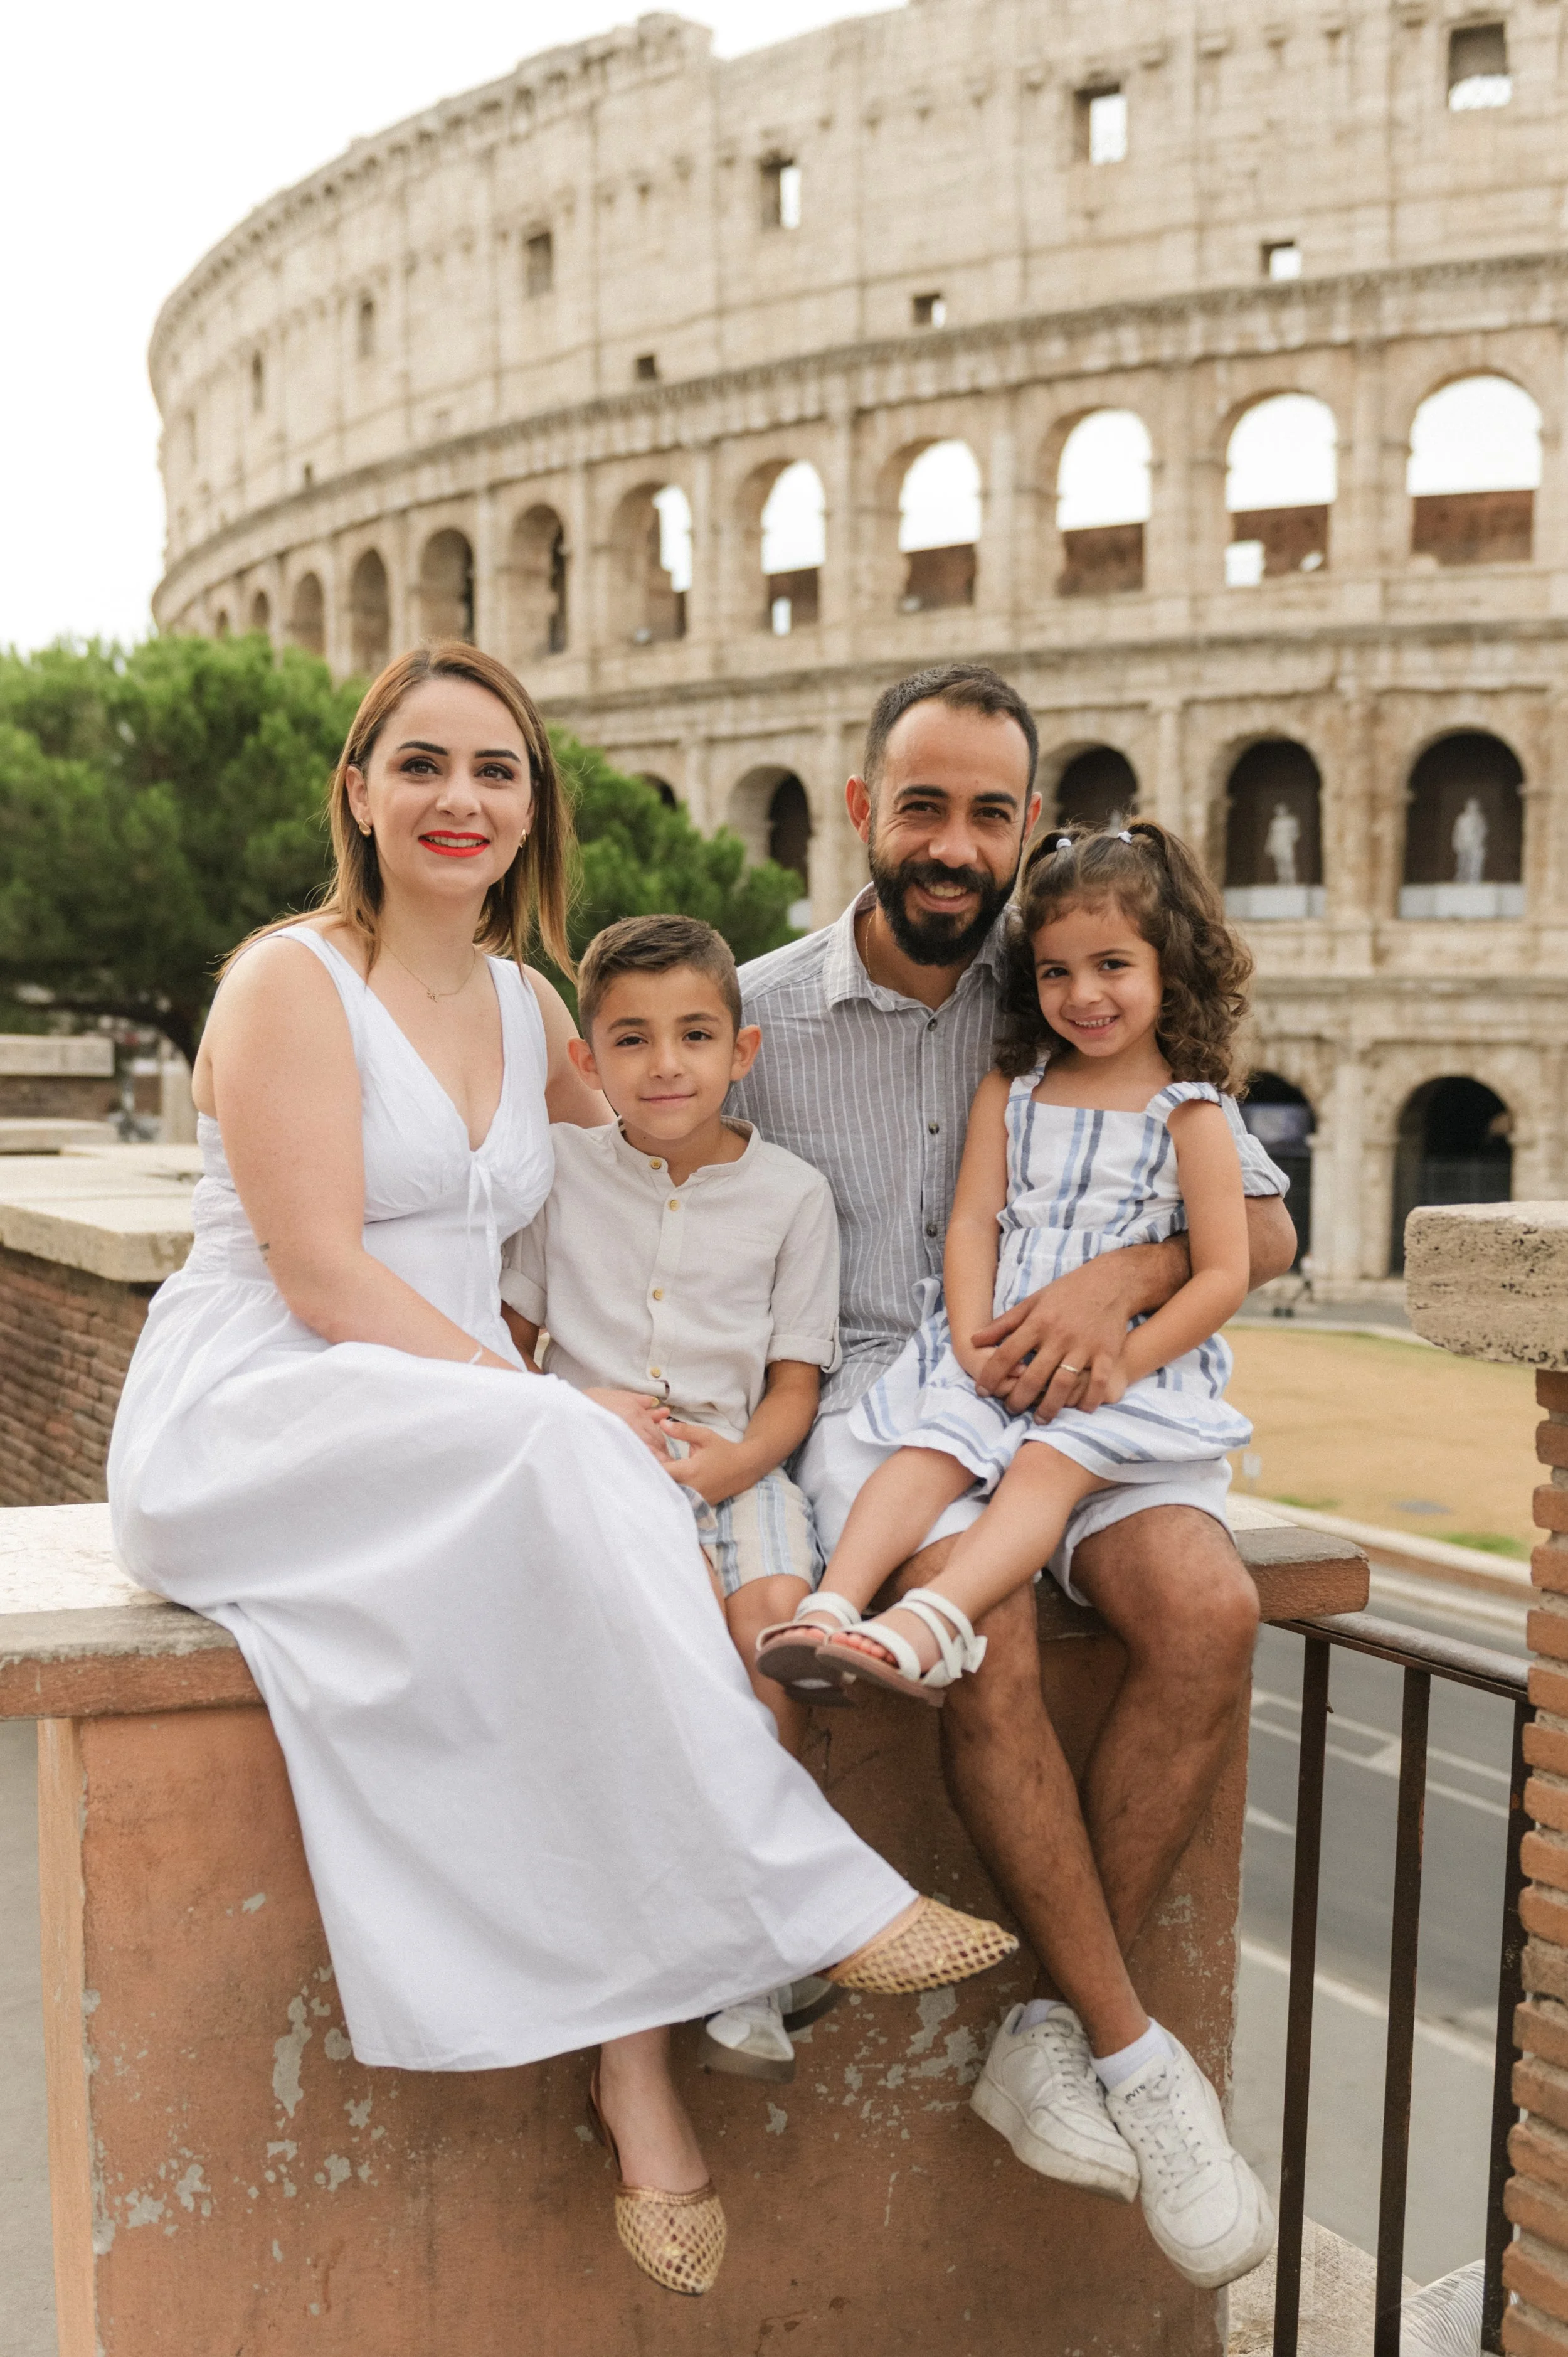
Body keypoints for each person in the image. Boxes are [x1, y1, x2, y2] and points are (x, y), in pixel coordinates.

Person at [105, 644, 1015, 2301]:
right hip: (263, 1410)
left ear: (535, 809)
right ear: (361, 790)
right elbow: (319, 1279)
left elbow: (689, 1133)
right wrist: (553, 1401)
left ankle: (634, 2071)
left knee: (585, 1543)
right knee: (570, 1447)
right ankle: (809, 1896)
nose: (461, 801)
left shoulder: (533, 1008)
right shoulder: (285, 982)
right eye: (425, 766)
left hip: (453, 1428)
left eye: (497, 771)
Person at [731, 663, 1296, 2291]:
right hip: (901, 1415)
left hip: (1096, 1400)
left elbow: (1260, 1227)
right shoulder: (760, 1018)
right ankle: (1132, 2053)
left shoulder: (1065, 980)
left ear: (1026, 824)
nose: (954, 842)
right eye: (923, 803)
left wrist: (1117, 1279)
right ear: (860, 809)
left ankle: (1045, 2035)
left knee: (1208, 1602)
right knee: (987, 1640)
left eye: (990, 810)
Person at [766, 820, 1256, 1714]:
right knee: (927, 1450)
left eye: (1113, 965)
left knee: (1041, 1471)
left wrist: (1122, 1365)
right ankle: (831, 1607)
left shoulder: (1192, 1112)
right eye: (1056, 971)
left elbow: (1225, 1272)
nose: (1084, 994)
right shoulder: (1017, 1084)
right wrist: (966, 1342)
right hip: (993, 1344)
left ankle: (933, 1622)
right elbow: (971, 1225)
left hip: (1120, 1374)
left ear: (1168, 967)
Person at [499, 911, 845, 2080]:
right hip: (602, 1478)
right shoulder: (561, 1177)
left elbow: (796, 1385)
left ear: (741, 1052)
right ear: (586, 1063)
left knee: (775, 1651)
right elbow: (510, 1339)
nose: (666, 1065)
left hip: (741, 1469)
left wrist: (737, 1467)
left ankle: (757, 1952)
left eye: (696, 1035)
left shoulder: (795, 1195)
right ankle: (734, 1942)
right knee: (684, 1663)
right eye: (633, 1041)